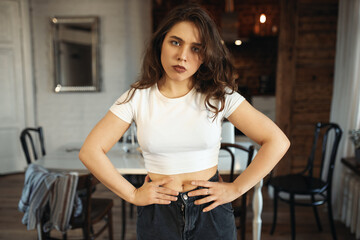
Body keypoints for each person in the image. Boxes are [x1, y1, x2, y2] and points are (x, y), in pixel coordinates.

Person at [79, 3, 290, 240]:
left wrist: (236, 188)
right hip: (158, 214)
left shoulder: (219, 95)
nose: (182, 56)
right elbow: (90, 151)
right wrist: (133, 195)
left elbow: (277, 141)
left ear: (205, 55)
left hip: (210, 211)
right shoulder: (137, 98)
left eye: (196, 48)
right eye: (176, 42)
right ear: (161, 43)